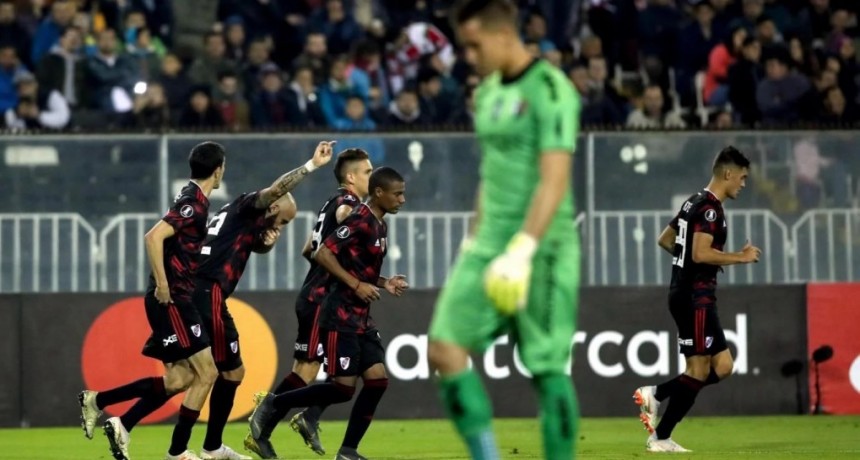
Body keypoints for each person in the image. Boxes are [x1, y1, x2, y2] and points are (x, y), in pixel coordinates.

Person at [427, 1, 582, 459]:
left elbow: (554, 179)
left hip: (544, 247)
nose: (469, 57)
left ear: (502, 34)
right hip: (488, 245)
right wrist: (474, 239)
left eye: (474, 45)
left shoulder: (552, 89)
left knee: (546, 369)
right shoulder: (489, 93)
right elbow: (491, 173)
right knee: (444, 348)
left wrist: (524, 249)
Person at [78, 141, 227, 460]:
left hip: (174, 297)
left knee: (180, 379)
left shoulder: (195, 198)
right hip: (172, 298)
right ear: (218, 171)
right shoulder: (193, 204)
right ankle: (177, 451)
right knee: (208, 372)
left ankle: (108, 410)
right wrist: (162, 283)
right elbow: (153, 236)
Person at [248, 167, 409, 460]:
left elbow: (360, 269)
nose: (403, 199)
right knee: (343, 389)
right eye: (397, 194)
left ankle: (348, 451)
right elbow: (322, 253)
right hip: (340, 316)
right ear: (379, 193)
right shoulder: (359, 218)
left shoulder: (380, 225)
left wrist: (386, 282)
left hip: (361, 317)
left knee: (377, 381)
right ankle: (274, 403)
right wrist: (356, 284)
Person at [189, 141, 335, 460]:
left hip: (205, 290)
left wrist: (267, 240)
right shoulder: (250, 204)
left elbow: (253, 244)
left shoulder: (241, 216)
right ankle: (190, 449)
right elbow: (276, 190)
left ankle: (211, 446)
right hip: (207, 289)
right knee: (202, 374)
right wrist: (311, 166)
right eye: (282, 221)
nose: (281, 229)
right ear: (270, 209)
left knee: (227, 373)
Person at [634, 146, 761, 453]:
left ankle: (657, 393)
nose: (743, 184)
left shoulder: (694, 201)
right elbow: (699, 253)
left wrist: (693, 264)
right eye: (742, 178)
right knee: (699, 370)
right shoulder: (710, 209)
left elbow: (665, 239)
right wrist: (739, 258)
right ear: (728, 174)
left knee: (724, 365)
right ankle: (660, 438)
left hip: (690, 293)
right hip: (694, 297)